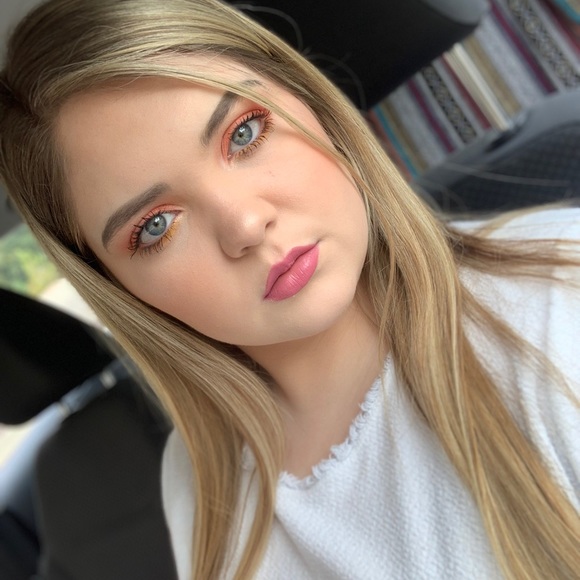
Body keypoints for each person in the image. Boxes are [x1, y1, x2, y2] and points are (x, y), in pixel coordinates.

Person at [0, 0, 578, 578]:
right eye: (155, 226)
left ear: (309, 99)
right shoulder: (195, 483)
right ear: (119, 287)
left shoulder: (560, 302)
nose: (246, 225)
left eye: (244, 133)